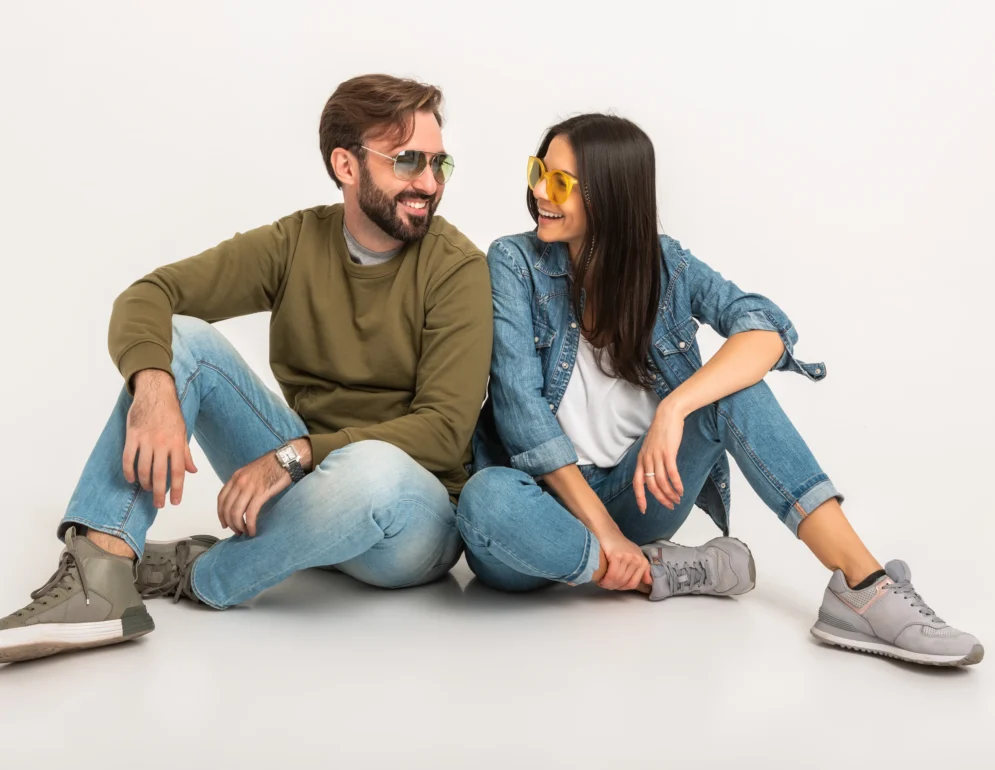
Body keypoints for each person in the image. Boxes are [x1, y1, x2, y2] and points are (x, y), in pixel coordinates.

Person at [457, 113, 983, 667]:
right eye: (540, 171)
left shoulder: (666, 264)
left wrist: (676, 408)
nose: (540, 191)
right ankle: (656, 570)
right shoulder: (515, 262)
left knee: (733, 390)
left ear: (611, 195)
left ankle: (864, 586)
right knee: (485, 499)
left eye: (562, 182)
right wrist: (606, 536)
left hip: (636, 493)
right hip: (534, 511)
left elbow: (766, 329)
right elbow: (522, 416)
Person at [0, 74, 493, 663]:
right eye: (408, 161)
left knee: (374, 471)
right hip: (304, 490)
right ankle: (99, 574)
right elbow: (149, 295)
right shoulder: (295, 243)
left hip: (410, 518)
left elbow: (442, 432)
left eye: (441, 164)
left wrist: (299, 454)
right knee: (182, 339)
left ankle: (202, 572)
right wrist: (154, 388)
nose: (429, 183)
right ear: (346, 165)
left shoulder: (457, 268)